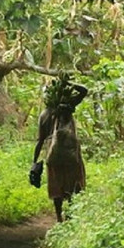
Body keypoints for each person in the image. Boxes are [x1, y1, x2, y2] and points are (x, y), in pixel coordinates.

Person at [30, 76, 88, 221]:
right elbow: (84, 90)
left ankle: (58, 217)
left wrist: (34, 161)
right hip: (72, 153)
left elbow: (40, 140)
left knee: (56, 185)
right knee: (74, 182)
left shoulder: (44, 115)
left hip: (53, 154)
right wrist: (69, 84)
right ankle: (71, 214)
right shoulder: (68, 108)